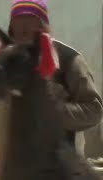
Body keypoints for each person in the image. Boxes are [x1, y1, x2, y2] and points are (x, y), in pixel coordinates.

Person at [8, 0, 103, 150]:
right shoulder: (6, 62)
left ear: (42, 26)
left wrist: (53, 110)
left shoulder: (69, 60)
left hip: (62, 162)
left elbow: (94, 111)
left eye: (30, 21)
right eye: (18, 21)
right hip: (18, 162)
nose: (23, 28)